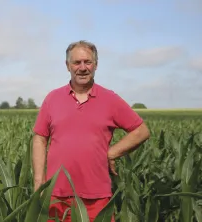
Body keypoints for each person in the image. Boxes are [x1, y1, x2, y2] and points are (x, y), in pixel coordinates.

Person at [32, 40, 150, 221]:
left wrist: (112, 153)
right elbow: (40, 138)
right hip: (56, 195)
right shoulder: (52, 99)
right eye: (76, 62)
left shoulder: (110, 99)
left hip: (97, 198)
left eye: (88, 62)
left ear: (96, 65)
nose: (82, 67)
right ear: (67, 66)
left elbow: (141, 131)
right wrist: (39, 183)